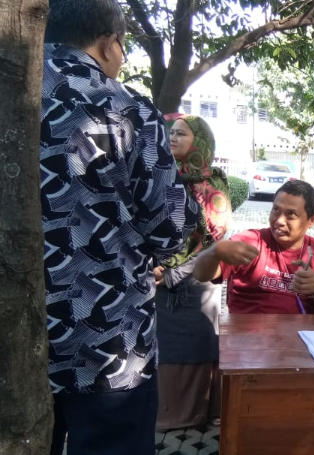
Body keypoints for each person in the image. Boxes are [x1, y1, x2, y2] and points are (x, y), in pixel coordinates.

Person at [41, 1, 199, 454]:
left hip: (19, 335)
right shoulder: (124, 108)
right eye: (123, 48)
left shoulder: (14, 92)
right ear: (109, 42)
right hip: (105, 340)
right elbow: (169, 231)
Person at [154, 115, 232, 430]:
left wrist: (171, 272)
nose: (173, 137)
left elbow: (213, 244)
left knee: (195, 345)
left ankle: (197, 413)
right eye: (171, 132)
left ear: (199, 141)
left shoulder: (213, 189)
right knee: (165, 347)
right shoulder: (162, 176)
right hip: (158, 282)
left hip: (196, 284)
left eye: (181, 134)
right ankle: (168, 413)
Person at [194, 180, 314, 314]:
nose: (279, 220)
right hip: (246, 332)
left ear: (312, 220)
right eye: (276, 210)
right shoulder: (251, 242)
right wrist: (215, 252)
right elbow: (200, 275)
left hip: (300, 333)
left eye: (291, 214)